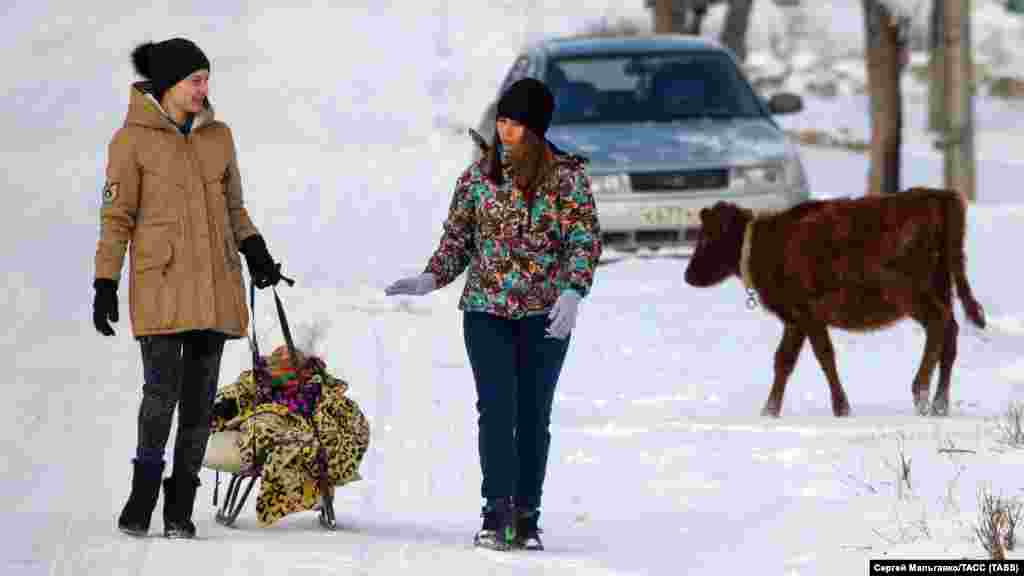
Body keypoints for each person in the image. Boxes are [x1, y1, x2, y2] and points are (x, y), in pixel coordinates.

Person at [385, 77, 602, 551]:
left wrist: (572, 291)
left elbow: (583, 240)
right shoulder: (477, 177)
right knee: (496, 410)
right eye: (502, 120)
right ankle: (495, 511)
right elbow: (458, 239)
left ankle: (526, 515)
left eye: (516, 124)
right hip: (486, 313)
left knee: (533, 414)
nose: (505, 131)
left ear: (537, 129)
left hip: (545, 315)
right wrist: (431, 277)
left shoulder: (567, 179)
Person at [92, 37, 284, 539]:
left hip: (216, 285)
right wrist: (105, 281)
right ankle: (142, 496)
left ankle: (180, 506)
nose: (204, 89)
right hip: (162, 285)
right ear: (169, 85)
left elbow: (234, 207)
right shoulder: (130, 141)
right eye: (195, 80)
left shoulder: (218, 136)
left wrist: (255, 249)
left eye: (206, 80)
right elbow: (116, 218)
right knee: (161, 396)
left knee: (200, 405)